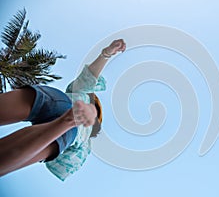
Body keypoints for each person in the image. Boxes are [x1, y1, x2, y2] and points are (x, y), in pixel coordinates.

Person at [0, 39, 126, 181]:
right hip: (71, 131)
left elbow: (90, 76)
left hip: (59, 100)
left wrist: (107, 53)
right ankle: (68, 121)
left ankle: (68, 120)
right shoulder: (85, 145)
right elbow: (60, 166)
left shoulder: (83, 93)